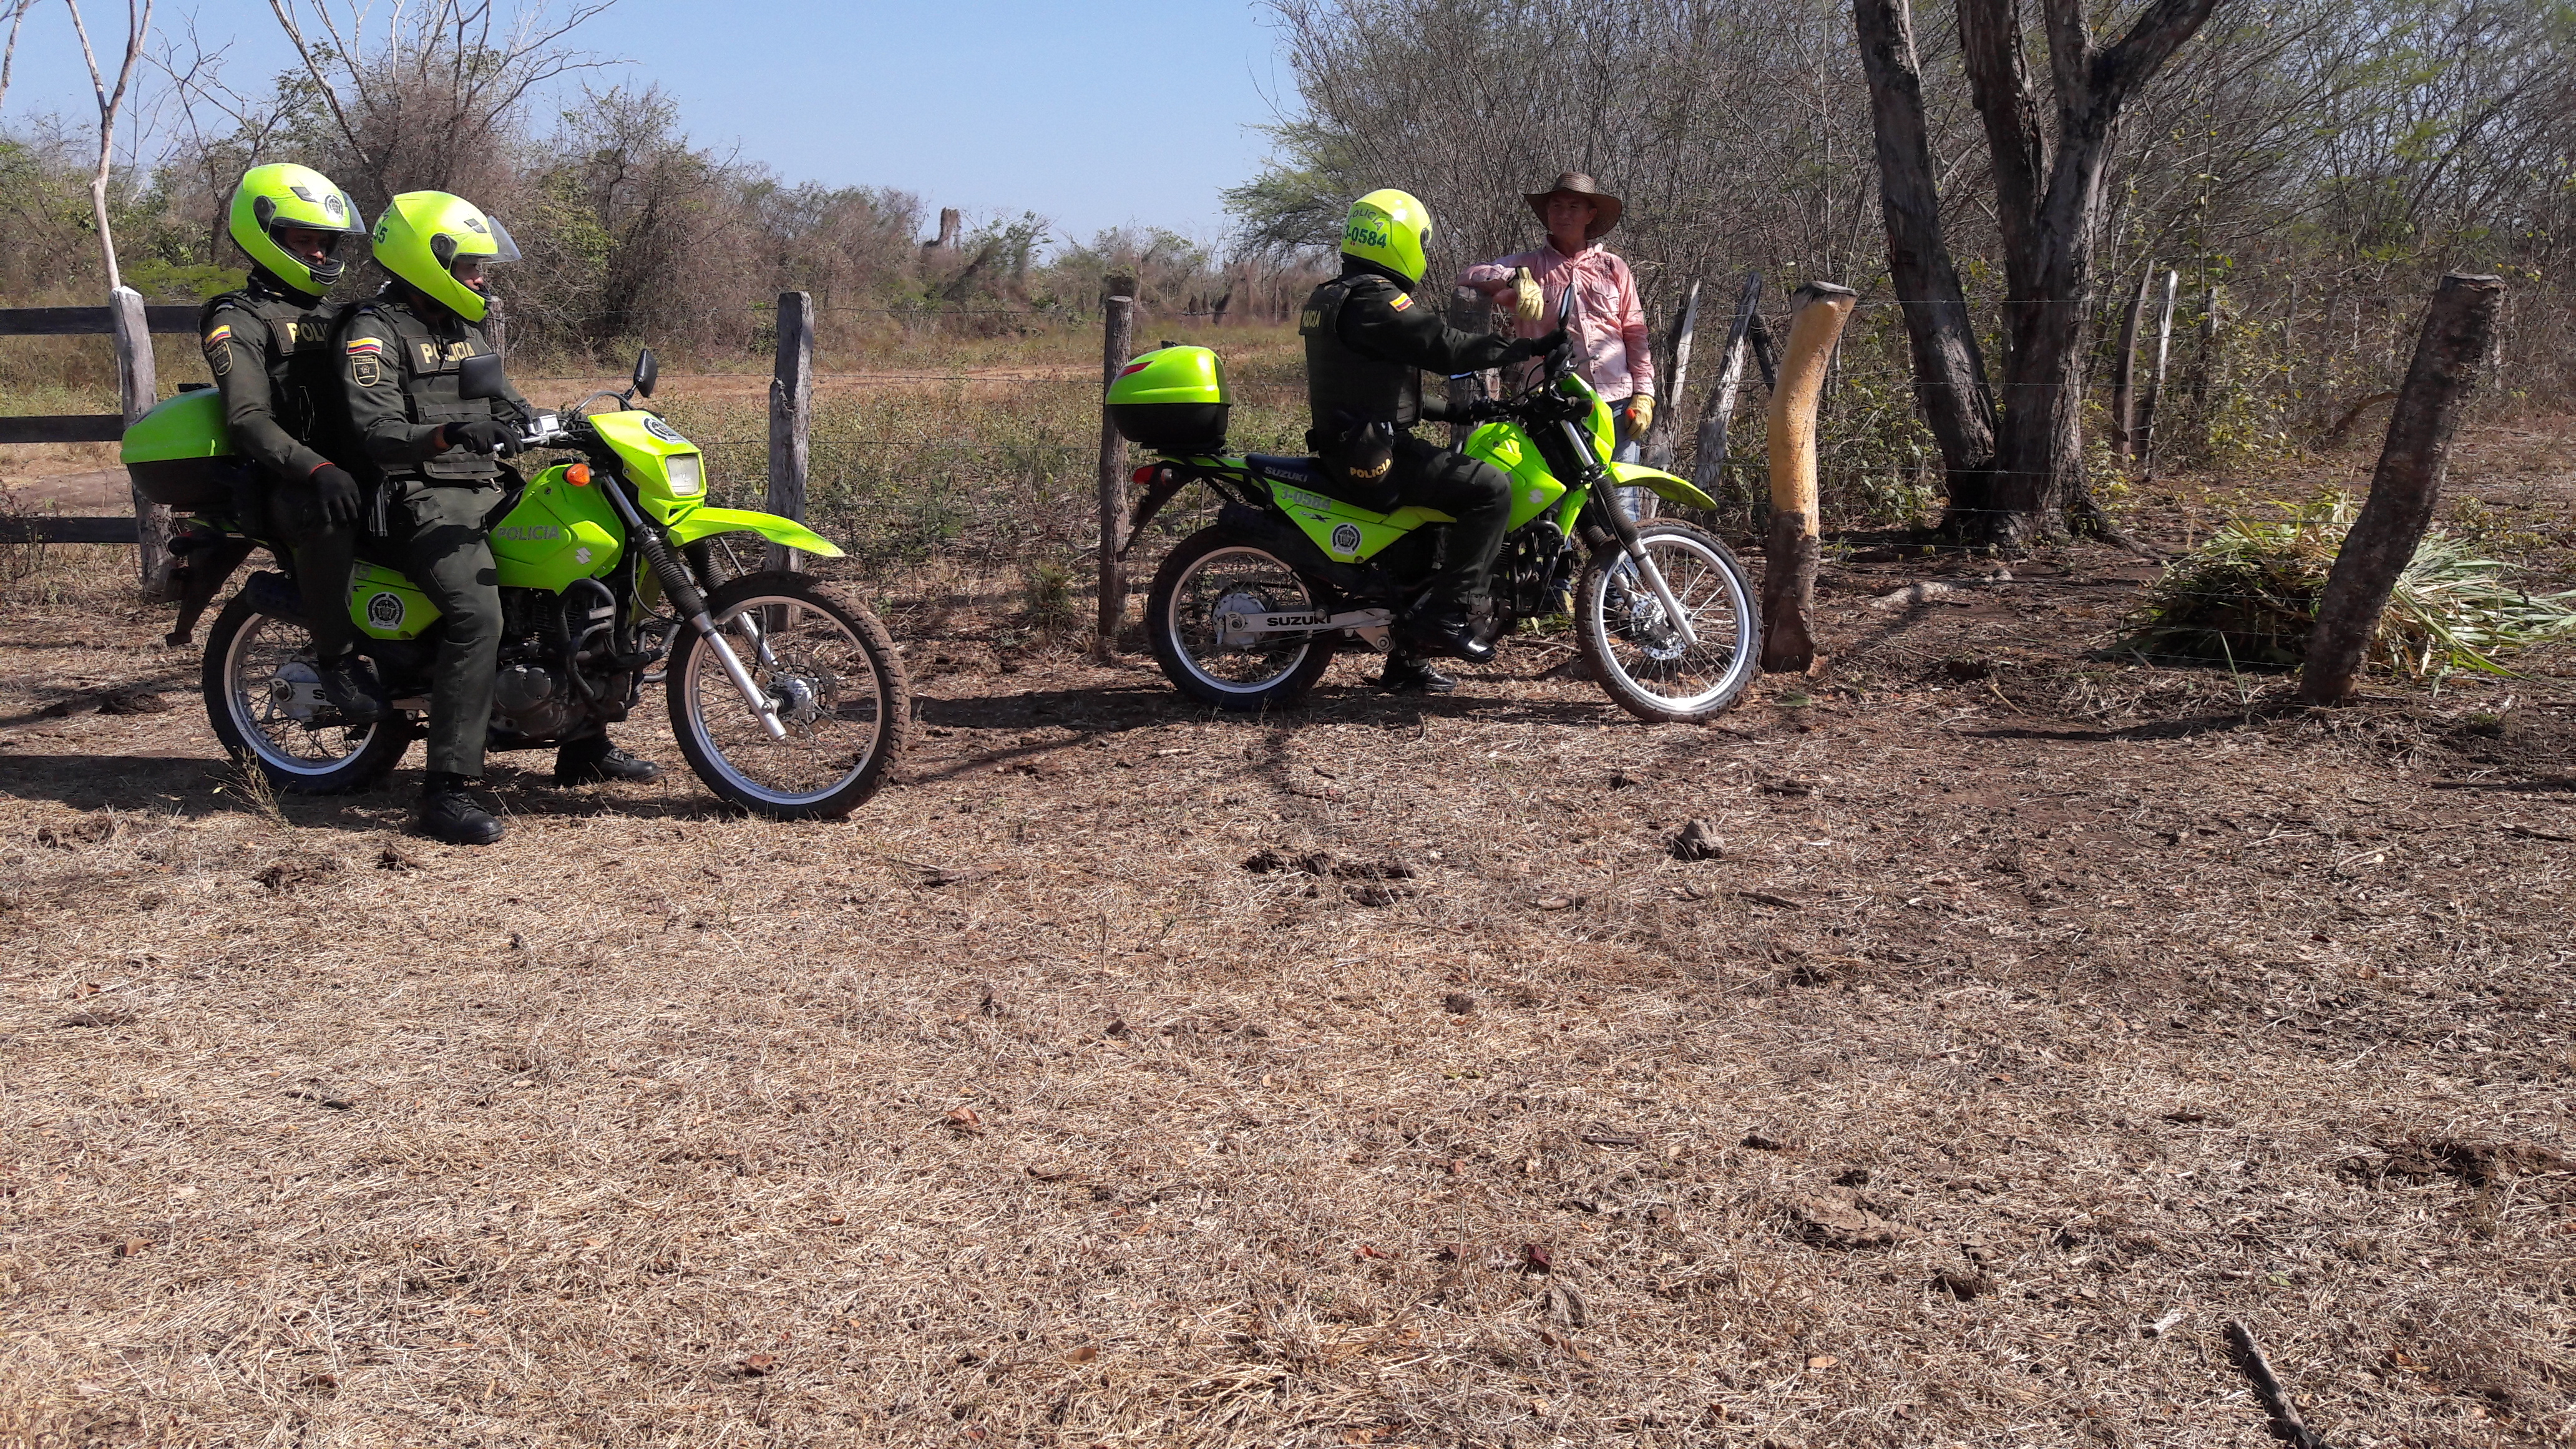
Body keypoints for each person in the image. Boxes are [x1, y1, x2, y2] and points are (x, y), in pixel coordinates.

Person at [339, 190, 658, 846]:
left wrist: (564, 424)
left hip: (485, 488)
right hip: (416, 497)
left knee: (590, 564)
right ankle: (447, 791)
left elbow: (510, 404)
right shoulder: (373, 331)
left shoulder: (462, 328)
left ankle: (583, 745)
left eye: (483, 266)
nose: (482, 278)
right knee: (476, 614)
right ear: (426, 259)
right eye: (471, 266)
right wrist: (452, 434)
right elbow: (377, 433)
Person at [1302, 188, 1561, 693]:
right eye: (1420, 239)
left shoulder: (1337, 295)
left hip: (1355, 443)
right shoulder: (1375, 298)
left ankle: (1406, 661)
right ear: (1398, 238)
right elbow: (1443, 346)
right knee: (1488, 489)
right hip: (1372, 454)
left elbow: (1372, 390)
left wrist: (1465, 408)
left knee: (1423, 536)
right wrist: (1526, 346)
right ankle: (1448, 616)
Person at [201, 163, 379, 718]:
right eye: (305, 242)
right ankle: (337, 658)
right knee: (332, 516)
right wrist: (316, 470)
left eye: (325, 243)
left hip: (353, 464)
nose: (320, 255)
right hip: (288, 479)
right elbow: (248, 418)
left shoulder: (338, 315)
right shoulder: (236, 318)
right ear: (266, 238)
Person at [1460, 172, 1658, 517]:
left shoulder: (1614, 268)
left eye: (1573, 206)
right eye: (1557, 206)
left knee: (1621, 507)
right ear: (1547, 213)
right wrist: (1515, 279)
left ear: (1590, 215)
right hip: (1553, 404)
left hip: (1615, 403)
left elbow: (1635, 331)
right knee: (1556, 502)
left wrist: (1645, 392)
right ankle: (1558, 573)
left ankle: (1619, 573)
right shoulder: (1530, 265)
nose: (1564, 214)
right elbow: (1470, 275)